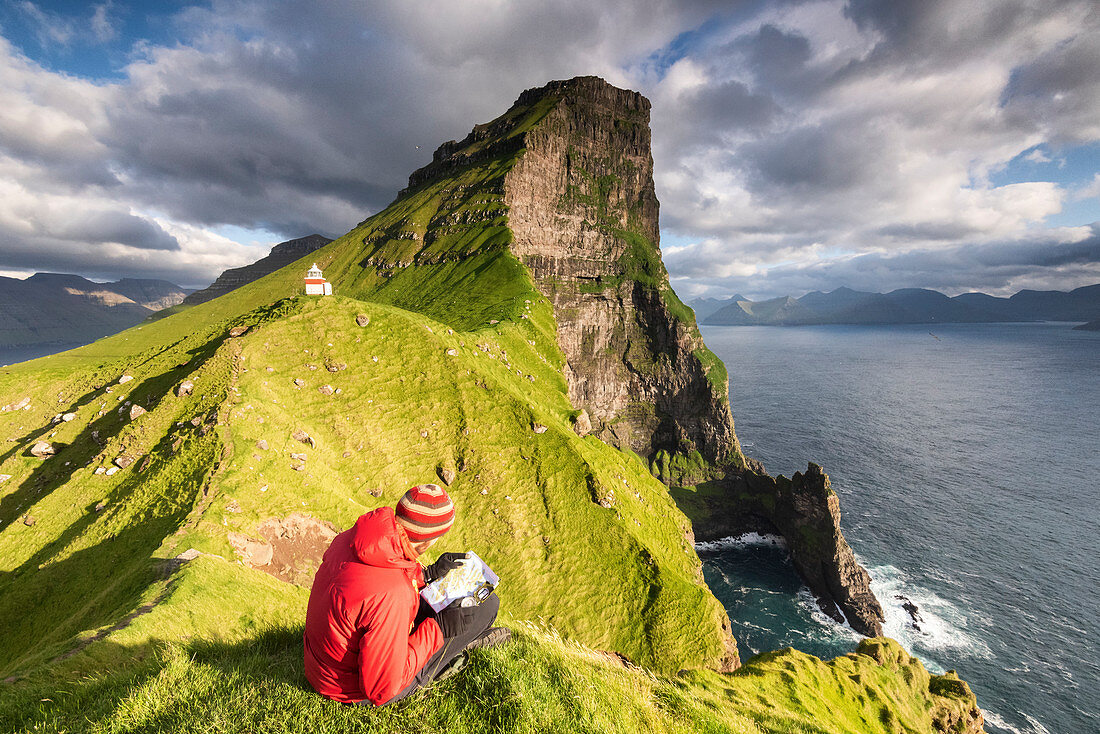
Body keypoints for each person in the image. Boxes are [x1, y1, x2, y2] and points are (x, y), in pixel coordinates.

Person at [303, 483, 509, 706]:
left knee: (455, 609)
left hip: (322, 664)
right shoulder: (392, 595)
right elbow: (382, 690)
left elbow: (373, 579)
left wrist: (426, 574)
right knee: (486, 607)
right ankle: (447, 656)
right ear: (429, 539)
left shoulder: (353, 539)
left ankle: (455, 640)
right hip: (349, 689)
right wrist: (439, 628)